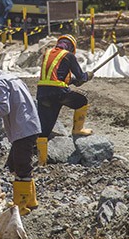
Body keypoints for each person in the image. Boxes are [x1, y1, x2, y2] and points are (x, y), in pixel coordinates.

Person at [0, 64, 42, 215]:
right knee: (18, 163)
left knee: (21, 165)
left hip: (22, 128)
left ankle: (21, 205)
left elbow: (5, 108)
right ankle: (30, 200)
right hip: (30, 124)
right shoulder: (11, 77)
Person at [36, 34, 93, 166]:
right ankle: (77, 130)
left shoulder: (48, 52)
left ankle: (41, 162)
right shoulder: (68, 55)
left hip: (43, 93)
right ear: (72, 46)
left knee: (44, 130)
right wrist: (86, 76)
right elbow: (81, 76)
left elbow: (57, 76)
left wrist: (74, 81)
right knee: (82, 101)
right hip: (59, 92)